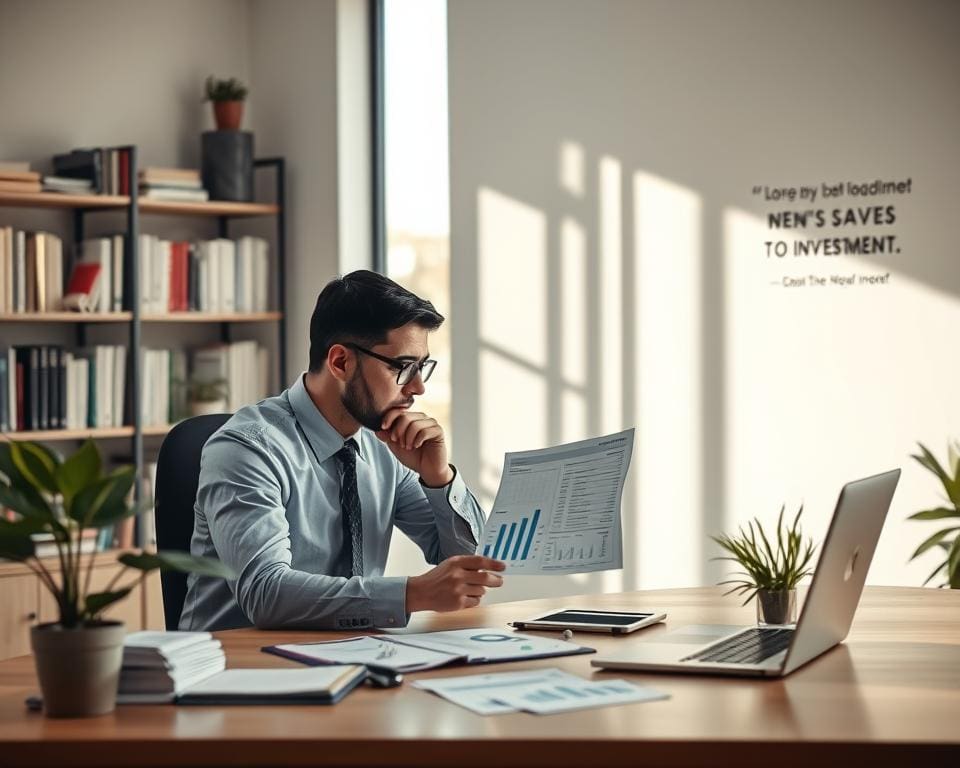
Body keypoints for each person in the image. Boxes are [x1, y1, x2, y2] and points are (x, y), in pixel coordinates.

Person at [179, 270, 504, 631]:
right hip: (238, 670)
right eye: (403, 366)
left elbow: (473, 566)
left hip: (352, 657)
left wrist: (438, 478)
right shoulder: (247, 449)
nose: (417, 388)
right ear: (340, 362)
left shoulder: (383, 447)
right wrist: (413, 594)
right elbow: (265, 593)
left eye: (422, 367)